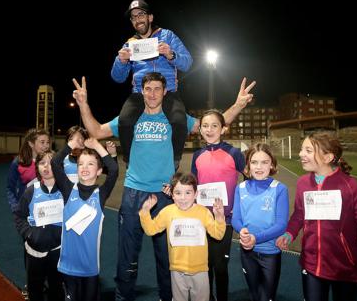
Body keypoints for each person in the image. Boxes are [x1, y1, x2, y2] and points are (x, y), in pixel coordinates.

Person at [71, 72, 255, 301]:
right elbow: (97, 131)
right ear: (142, 91)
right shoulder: (129, 119)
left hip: (166, 194)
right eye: (148, 89)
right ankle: (123, 297)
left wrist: (238, 104)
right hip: (133, 192)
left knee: (166, 256)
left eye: (157, 89)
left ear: (165, 92)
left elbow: (212, 124)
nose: (152, 94)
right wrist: (83, 104)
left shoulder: (176, 119)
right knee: (127, 256)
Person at [275, 131, 357, 301]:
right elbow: (299, 214)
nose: (300, 154)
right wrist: (289, 234)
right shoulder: (303, 182)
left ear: (327, 158)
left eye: (308, 150)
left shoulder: (350, 185)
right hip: (311, 262)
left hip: (344, 265)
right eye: (302, 149)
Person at [111, 0, 193, 169]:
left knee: (179, 121)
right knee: (125, 122)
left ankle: (175, 160)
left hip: (167, 90)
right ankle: (129, 161)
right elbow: (117, 78)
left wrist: (171, 54)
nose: (137, 19)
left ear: (150, 17)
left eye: (141, 14)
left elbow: (188, 63)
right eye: (133, 17)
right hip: (140, 93)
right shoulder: (129, 44)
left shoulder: (167, 36)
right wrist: (121, 61)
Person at [49, 137, 118, 301]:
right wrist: (71, 145)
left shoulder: (100, 195)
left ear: (99, 171)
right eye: (81, 164)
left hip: (90, 268)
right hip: (67, 267)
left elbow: (114, 170)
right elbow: (55, 163)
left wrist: (97, 147)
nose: (85, 167)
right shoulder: (68, 190)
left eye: (90, 164)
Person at [139, 172, 226, 301]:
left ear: (196, 194)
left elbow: (218, 235)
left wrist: (219, 217)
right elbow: (151, 230)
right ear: (172, 194)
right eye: (178, 193)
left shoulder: (203, 212)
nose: (183, 198)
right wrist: (145, 212)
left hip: (200, 270)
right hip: (176, 270)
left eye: (188, 193)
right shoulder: (168, 212)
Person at [190, 109, 245, 301]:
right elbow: (192, 186)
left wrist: (239, 209)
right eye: (205, 125)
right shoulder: (197, 155)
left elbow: (249, 182)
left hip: (225, 220)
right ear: (201, 129)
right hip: (202, 220)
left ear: (223, 129)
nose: (209, 129)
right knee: (204, 265)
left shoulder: (234, 153)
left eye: (214, 125)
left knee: (220, 266)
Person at [231, 143, 289, 301]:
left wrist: (256, 238)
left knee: (267, 296)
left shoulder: (280, 189)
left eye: (264, 162)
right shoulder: (240, 188)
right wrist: (242, 230)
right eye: (254, 162)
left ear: (272, 164)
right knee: (254, 294)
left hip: (270, 253)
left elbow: (281, 225)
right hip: (247, 252)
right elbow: (236, 218)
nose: (259, 167)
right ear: (248, 165)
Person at [14, 150, 65, 301]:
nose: (46, 167)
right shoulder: (31, 191)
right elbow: (19, 216)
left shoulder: (65, 191)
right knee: (35, 288)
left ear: (58, 166)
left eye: (51, 163)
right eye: (42, 163)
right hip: (34, 251)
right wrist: (28, 234)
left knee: (56, 287)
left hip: (57, 250)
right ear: (37, 167)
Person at [6, 128, 51, 213]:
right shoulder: (18, 162)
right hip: (26, 209)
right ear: (31, 143)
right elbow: (11, 188)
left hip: (47, 208)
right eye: (42, 142)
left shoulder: (53, 160)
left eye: (47, 142)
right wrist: (15, 207)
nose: (46, 145)